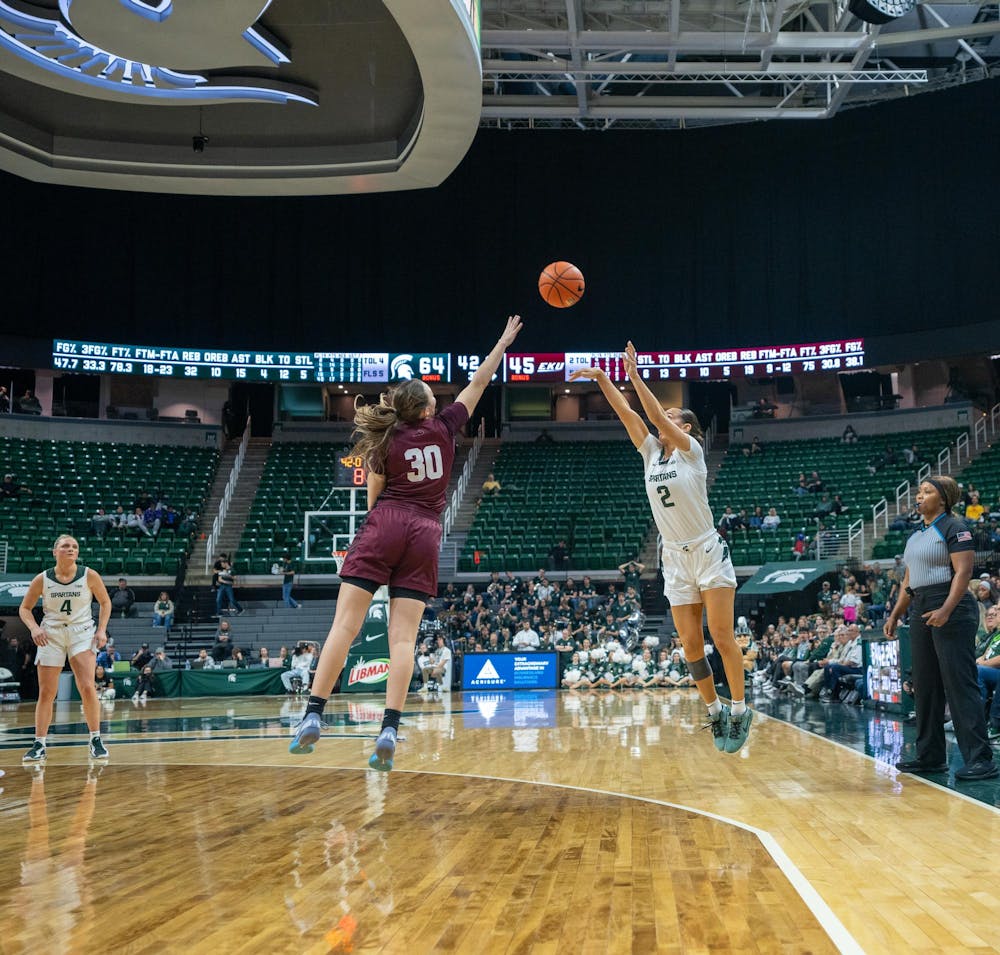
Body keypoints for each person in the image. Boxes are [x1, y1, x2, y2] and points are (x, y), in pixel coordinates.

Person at [290, 315, 523, 769]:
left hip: (387, 522)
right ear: (427, 409)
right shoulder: (444, 428)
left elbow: (375, 499)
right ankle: (390, 729)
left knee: (344, 626)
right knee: (403, 641)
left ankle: (313, 715)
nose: (439, 402)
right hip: (426, 531)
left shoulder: (386, 438)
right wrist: (502, 342)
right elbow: (478, 382)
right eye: (435, 399)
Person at [568, 341, 752, 754]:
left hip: (706, 549)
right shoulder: (652, 454)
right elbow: (631, 416)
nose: (662, 421)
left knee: (722, 637)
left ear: (685, 428)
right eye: (664, 417)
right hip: (673, 555)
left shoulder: (693, 453)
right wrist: (602, 378)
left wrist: (634, 375)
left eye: (671, 417)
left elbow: (650, 413)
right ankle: (714, 710)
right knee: (689, 645)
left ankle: (740, 710)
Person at [884, 475, 998, 781]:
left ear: (943, 499)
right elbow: (910, 580)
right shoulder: (916, 535)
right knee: (925, 685)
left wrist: (947, 608)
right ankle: (930, 756)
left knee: (959, 683)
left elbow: (964, 572)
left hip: (952, 604)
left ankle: (981, 759)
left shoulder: (954, 528)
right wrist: (896, 614)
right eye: (919, 492)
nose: (919, 497)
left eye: (927, 492)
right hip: (921, 604)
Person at [18, 535, 112, 763]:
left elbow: (105, 602)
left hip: (81, 632)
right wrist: (33, 628)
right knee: (47, 693)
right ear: (55, 551)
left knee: (88, 687)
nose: (71, 549)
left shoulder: (89, 575)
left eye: (75, 547)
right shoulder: (42, 579)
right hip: (52, 634)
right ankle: (39, 743)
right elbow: (25, 608)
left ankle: (95, 739)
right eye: (65, 546)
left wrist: (101, 630)